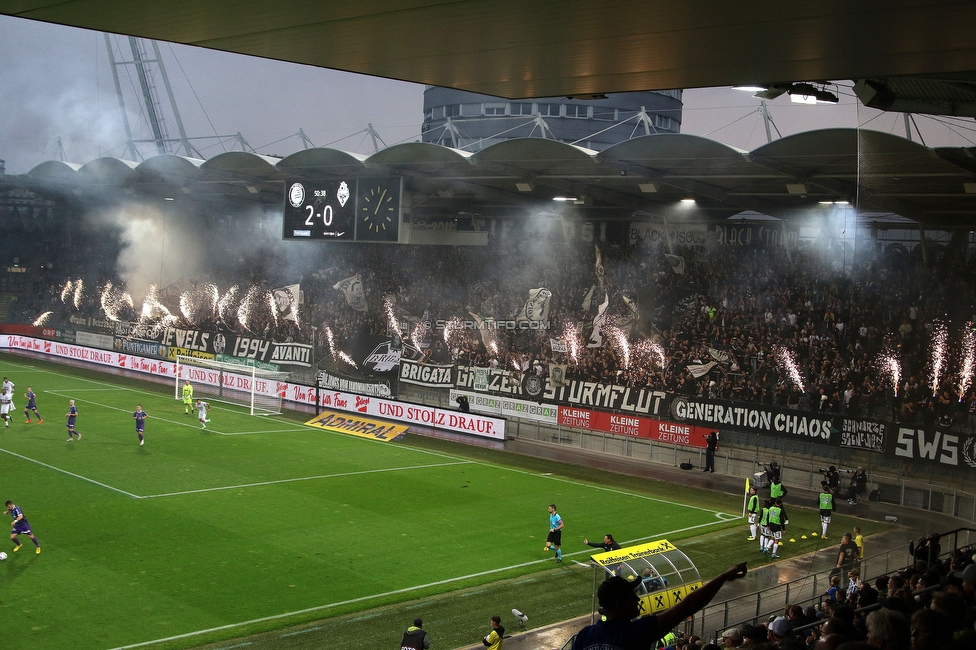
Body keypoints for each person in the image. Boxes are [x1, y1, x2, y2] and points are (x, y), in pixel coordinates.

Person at [571, 563, 748, 650]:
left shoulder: (584, 636)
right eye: (632, 597)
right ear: (619, 605)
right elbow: (687, 606)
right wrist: (723, 577)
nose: (637, 600)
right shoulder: (637, 632)